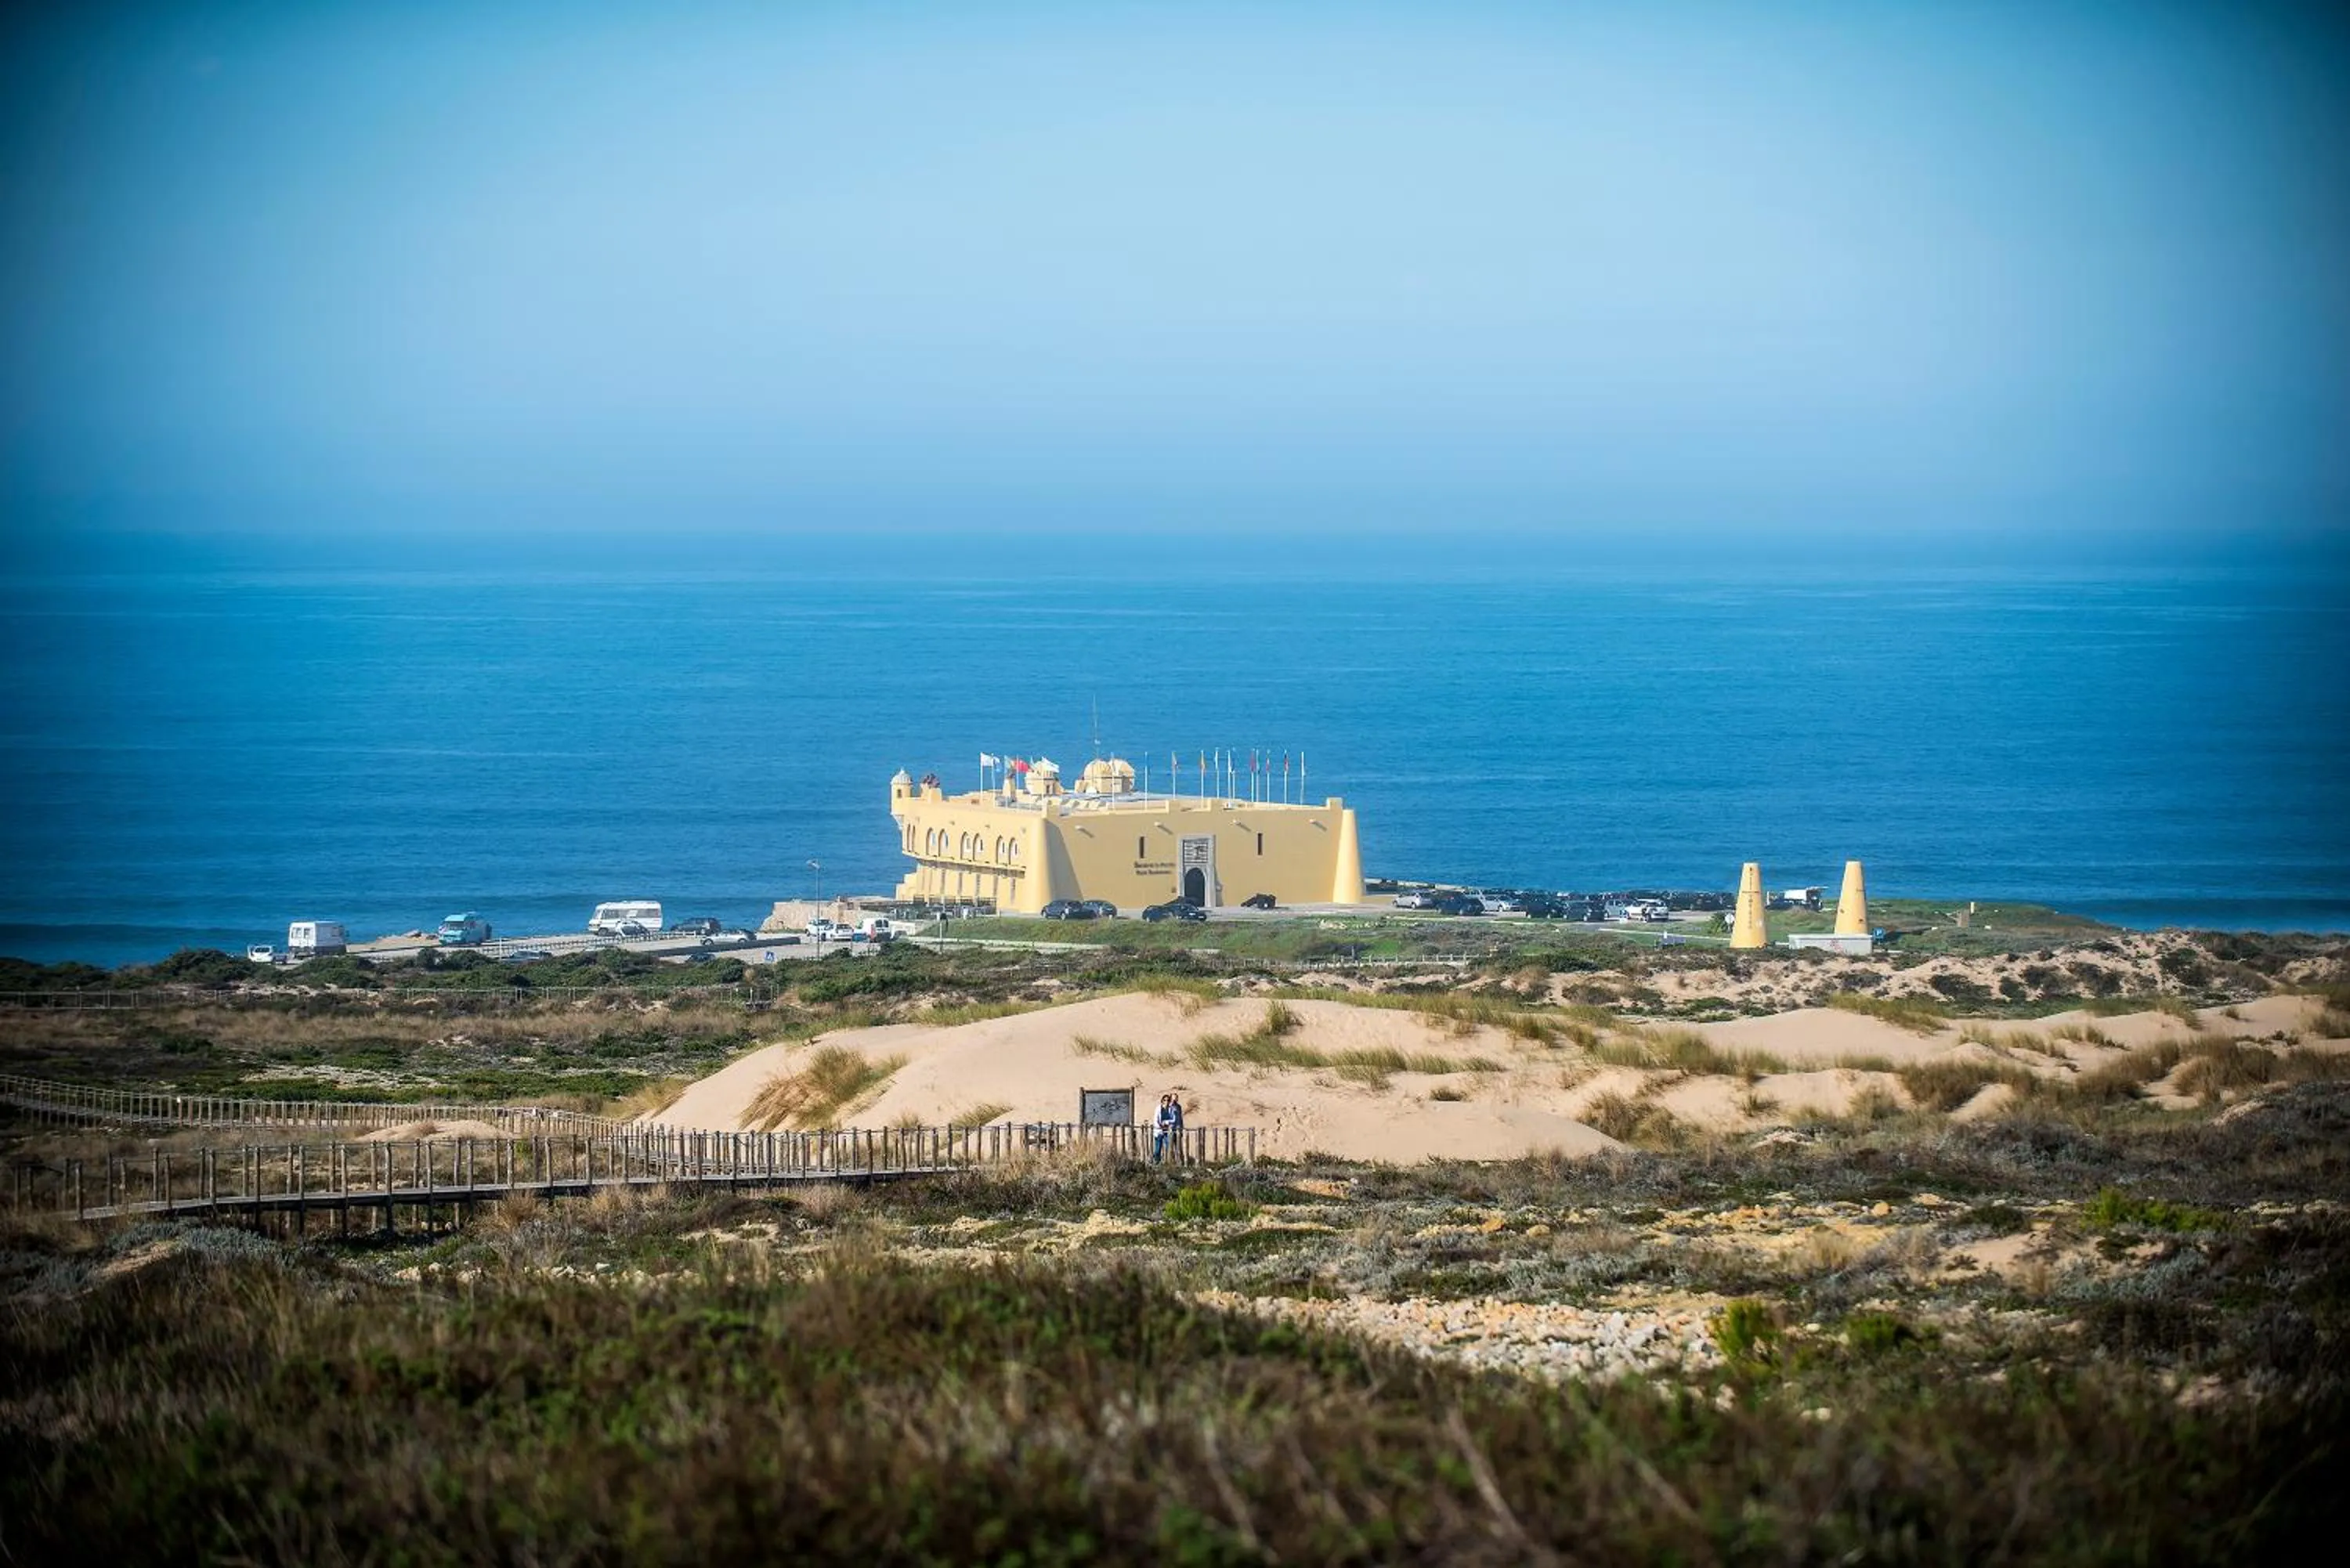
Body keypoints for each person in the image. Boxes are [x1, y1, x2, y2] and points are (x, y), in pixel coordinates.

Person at [1152, 1094, 1175, 1163]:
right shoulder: (1158, 1108)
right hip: (1159, 1130)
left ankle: (1168, 1161)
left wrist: (1166, 1122)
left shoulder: (1171, 1109)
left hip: (1167, 1130)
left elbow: (1174, 1120)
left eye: (1168, 1100)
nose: (1166, 1102)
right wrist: (1160, 1126)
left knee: (1168, 1145)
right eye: (1165, 1100)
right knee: (1158, 1146)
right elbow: (1156, 1119)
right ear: (1162, 1101)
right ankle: (1156, 1161)